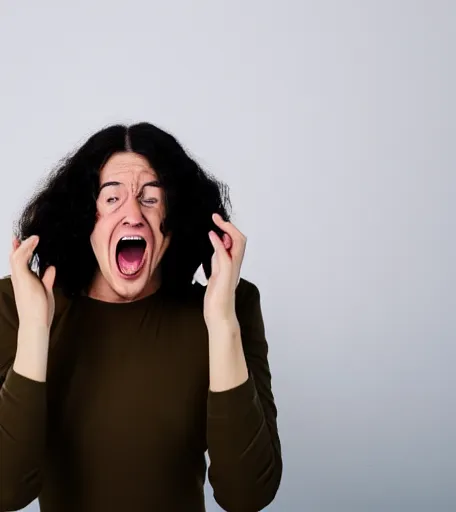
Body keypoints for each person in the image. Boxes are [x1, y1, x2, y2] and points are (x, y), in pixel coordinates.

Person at [0, 123, 282, 512]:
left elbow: (248, 494)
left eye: (151, 199)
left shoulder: (232, 306)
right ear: (86, 217)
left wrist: (220, 321)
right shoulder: (15, 305)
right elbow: (6, 490)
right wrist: (35, 329)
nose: (132, 214)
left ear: (173, 216)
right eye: (111, 198)